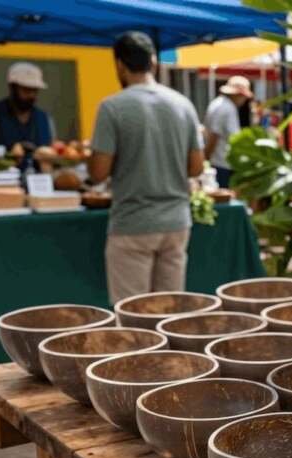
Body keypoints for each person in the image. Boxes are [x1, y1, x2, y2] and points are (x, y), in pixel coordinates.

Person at [88, 31, 204, 304]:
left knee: (132, 318)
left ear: (119, 64)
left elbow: (98, 173)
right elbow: (196, 168)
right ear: (153, 61)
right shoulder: (183, 105)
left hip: (133, 223)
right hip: (176, 222)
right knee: (170, 314)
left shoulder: (112, 107)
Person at [0, 62, 55, 168]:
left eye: (35, 90)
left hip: (38, 180)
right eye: (26, 90)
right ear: (12, 88)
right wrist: (5, 156)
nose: (31, 95)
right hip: (1, 178)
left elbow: (51, 152)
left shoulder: (43, 117)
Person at [204, 76, 252, 188]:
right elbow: (214, 136)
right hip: (222, 164)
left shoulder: (217, 103)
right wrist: (206, 158)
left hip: (218, 162)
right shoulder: (227, 108)